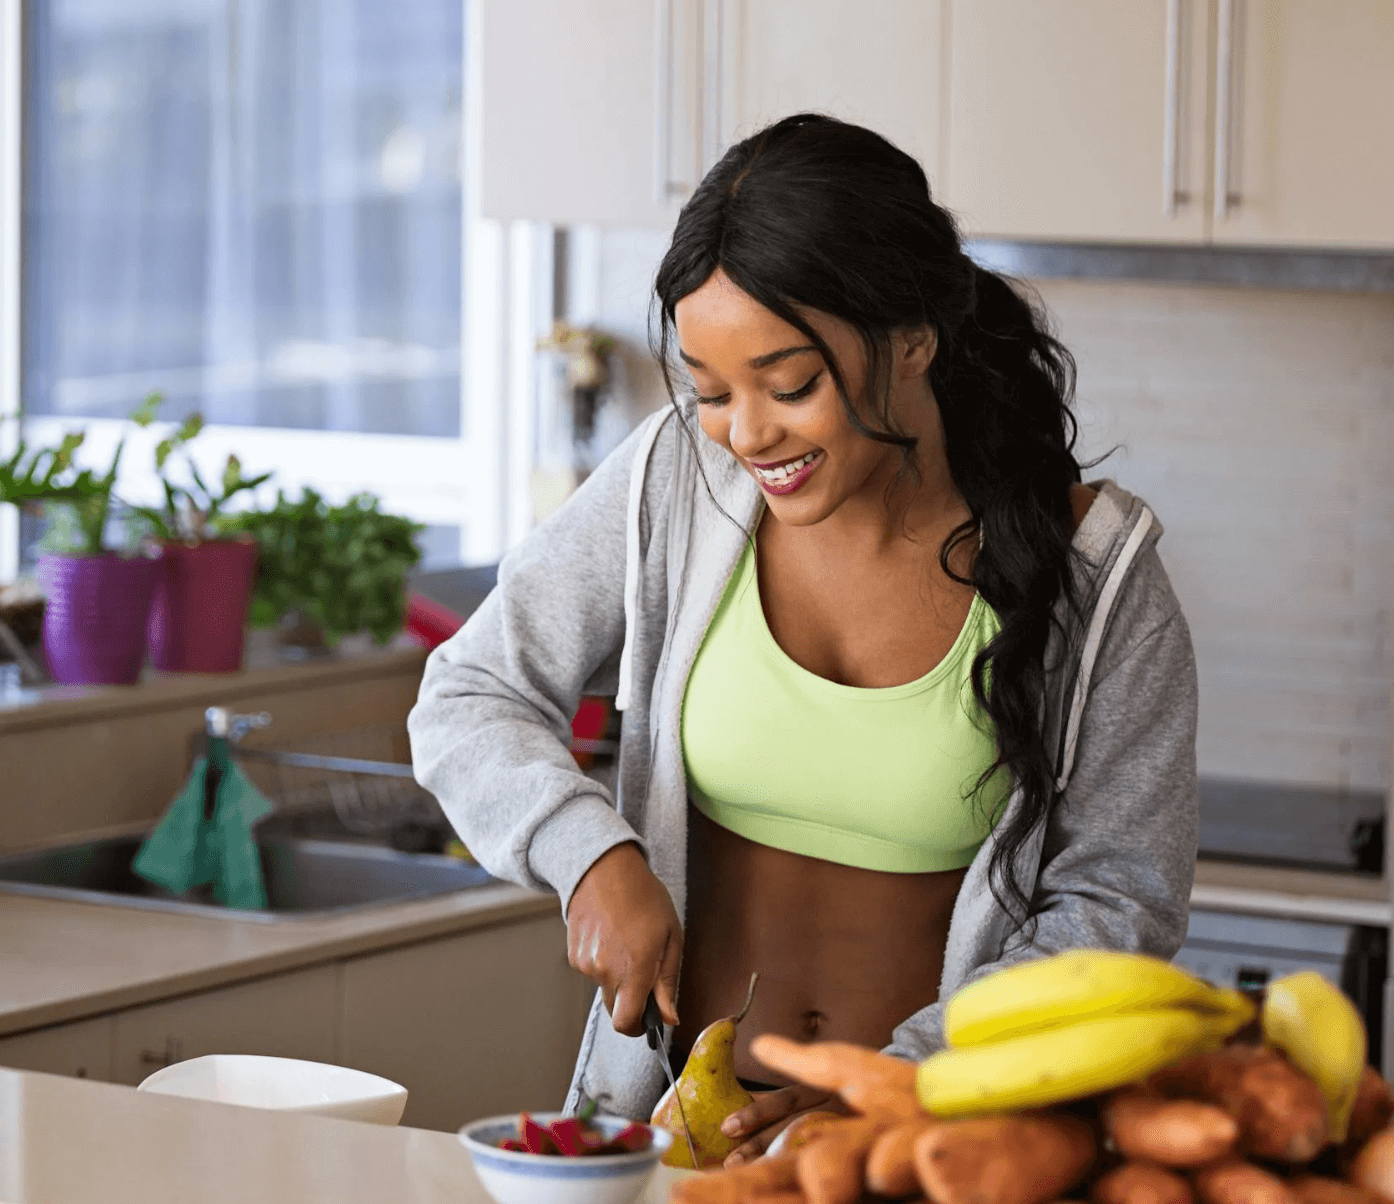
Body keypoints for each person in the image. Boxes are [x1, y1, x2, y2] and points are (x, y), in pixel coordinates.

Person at [408, 113, 1198, 1165]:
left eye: (789, 385)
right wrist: (591, 852)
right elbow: (468, 693)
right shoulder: (676, 481)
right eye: (710, 391)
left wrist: (896, 1089)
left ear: (913, 337)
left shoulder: (1095, 574)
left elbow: (1116, 907)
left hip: (929, 1153)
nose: (747, 435)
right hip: (678, 1146)